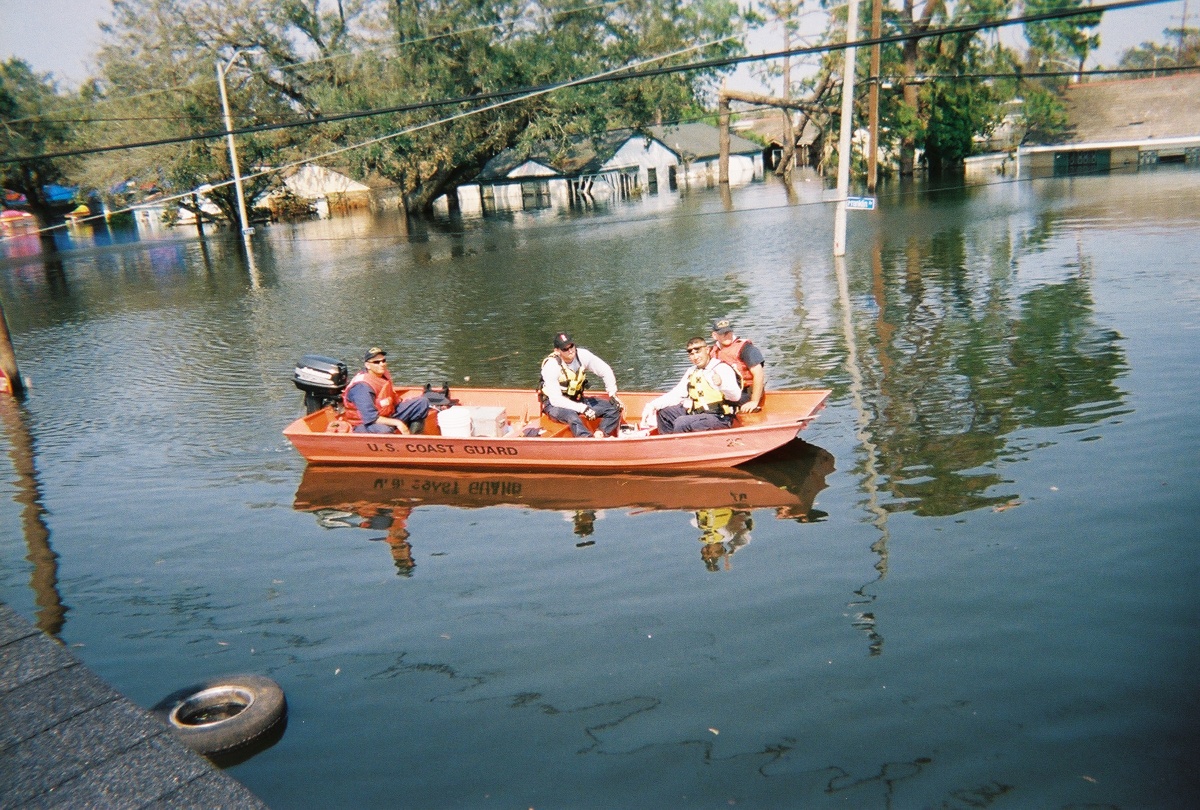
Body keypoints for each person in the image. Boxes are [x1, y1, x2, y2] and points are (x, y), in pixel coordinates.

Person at [640, 336, 743, 434]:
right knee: (665, 413)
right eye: (691, 353)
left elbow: (735, 396)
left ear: (707, 350)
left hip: (720, 417)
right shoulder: (692, 371)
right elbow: (676, 394)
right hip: (699, 415)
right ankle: (670, 446)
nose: (695, 357)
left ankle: (682, 449)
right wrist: (652, 405)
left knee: (682, 422)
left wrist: (722, 384)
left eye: (698, 351)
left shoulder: (721, 368)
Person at [539, 332, 624, 438]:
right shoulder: (551, 366)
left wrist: (612, 394)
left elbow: (605, 370)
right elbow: (556, 400)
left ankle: (600, 433)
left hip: (577, 399)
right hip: (554, 405)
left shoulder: (582, 355)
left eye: (571, 346)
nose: (570, 350)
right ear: (557, 351)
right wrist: (583, 408)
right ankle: (587, 440)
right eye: (565, 349)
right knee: (572, 416)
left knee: (614, 408)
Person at [342, 347, 430, 434]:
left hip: (386, 415)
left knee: (422, 402)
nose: (382, 364)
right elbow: (371, 418)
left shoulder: (383, 376)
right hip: (364, 424)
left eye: (383, 361)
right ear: (367, 365)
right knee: (384, 430)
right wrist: (398, 423)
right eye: (377, 362)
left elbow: (395, 402)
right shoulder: (362, 387)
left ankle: (413, 441)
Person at [709, 318, 767, 413]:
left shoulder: (746, 348)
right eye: (722, 333)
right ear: (714, 335)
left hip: (746, 393)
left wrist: (754, 401)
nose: (727, 335)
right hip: (726, 391)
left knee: (711, 405)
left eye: (728, 332)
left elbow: (759, 374)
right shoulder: (712, 351)